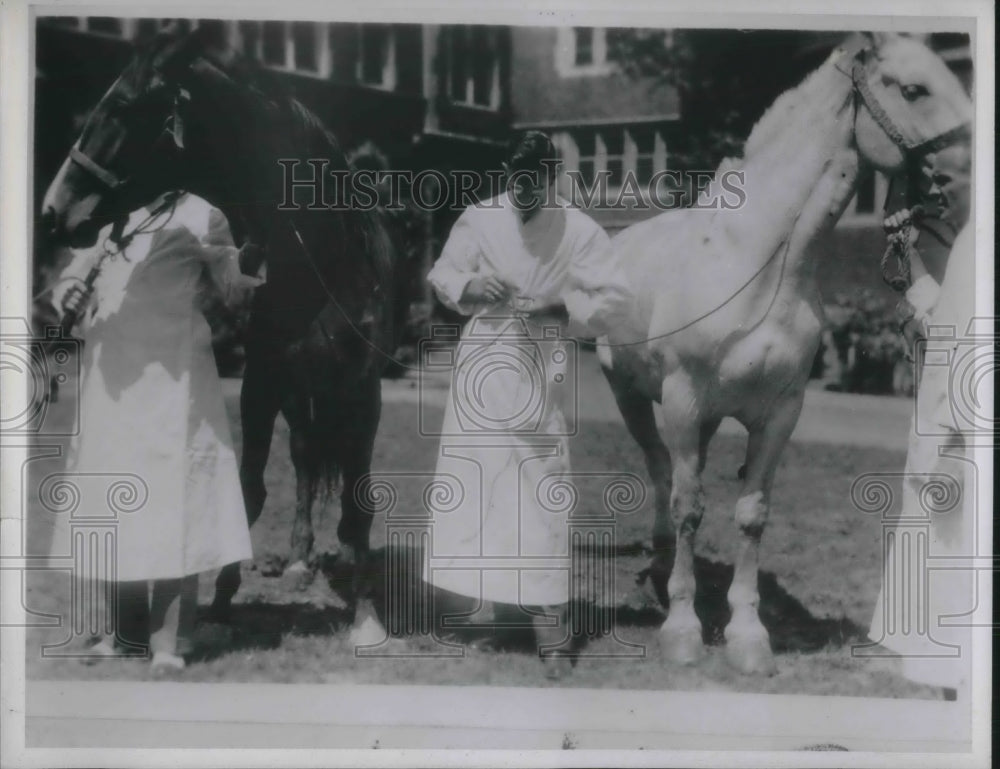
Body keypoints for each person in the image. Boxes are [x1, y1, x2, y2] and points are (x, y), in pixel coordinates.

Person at [423, 131, 633, 678]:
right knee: (475, 487)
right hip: (482, 364)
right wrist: (472, 287)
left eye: (535, 182)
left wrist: (558, 304)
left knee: (539, 491)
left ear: (552, 177)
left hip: (541, 367)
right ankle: (472, 615)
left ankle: (552, 636)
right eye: (516, 181)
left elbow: (616, 299)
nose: (524, 193)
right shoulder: (480, 217)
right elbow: (443, 274)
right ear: (507, 172)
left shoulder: (578, 228)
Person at [51, 192, 263, 673]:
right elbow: (75, 270)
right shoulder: (110, 209)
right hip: (110, 377)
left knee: (173, 501)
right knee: (112, 497)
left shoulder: (202, 212)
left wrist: (255, 247)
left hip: (173, 377)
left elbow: (235, 287)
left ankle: (168, 643)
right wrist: (70, 292)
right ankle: (124, 635)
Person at [869, 141, 976, 701]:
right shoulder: (967, 246)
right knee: (942, 571)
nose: (936, 191)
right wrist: (911, 277)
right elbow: (955, 323)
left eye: (947, 180)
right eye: (933, 180)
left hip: (966, 445)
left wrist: (958, 444)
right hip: (948, 435)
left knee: (958, 571)